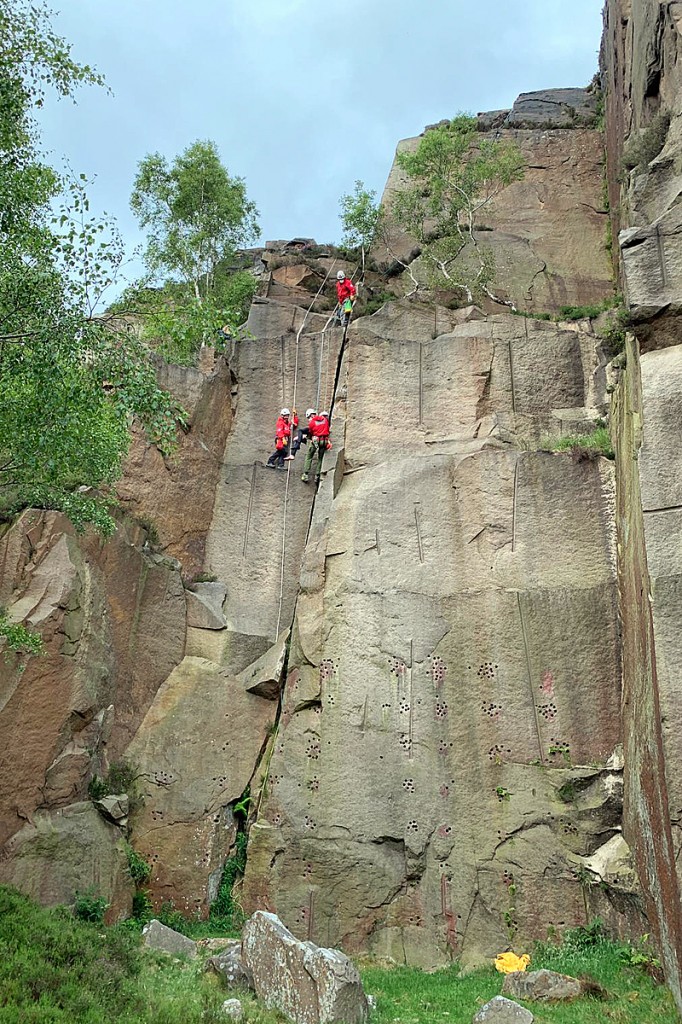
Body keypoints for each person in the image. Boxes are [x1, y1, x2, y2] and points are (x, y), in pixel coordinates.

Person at [302, 411, 331, 483]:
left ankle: (305, 475)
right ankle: (317, 476)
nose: (309, 419)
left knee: (309, 456)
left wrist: (307, 437)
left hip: (316, 440)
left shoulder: (312, 422)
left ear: (311, 416)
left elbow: (311, 432)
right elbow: (327, 429)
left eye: (309, 417)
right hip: (324, 441)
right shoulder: (325, 420)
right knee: (320, 458)